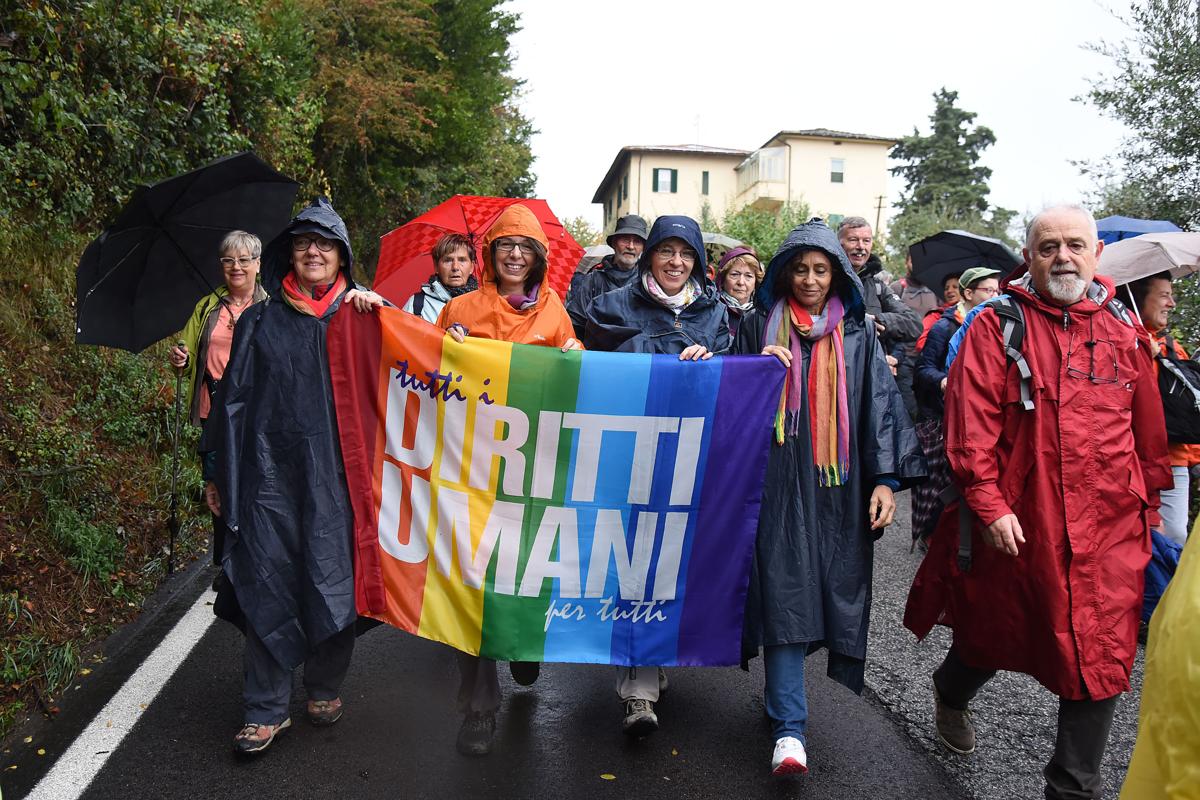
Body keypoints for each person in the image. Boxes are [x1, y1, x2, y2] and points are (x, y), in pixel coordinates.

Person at [904, 205, 1172, 800]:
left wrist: (1148, 511)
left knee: (1101, 653)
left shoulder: (1123, 333)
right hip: (1026, 521)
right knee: (997, 631)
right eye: (1048, 246)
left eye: (1076, 245)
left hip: (1109, 526)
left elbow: (1146, 432)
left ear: (1097, 253)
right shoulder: (996, 326)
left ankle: (1070, 789)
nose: (1063, 257)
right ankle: (951, 690)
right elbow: (969, 426)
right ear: (1030, 256)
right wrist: (989, 502)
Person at [734, 219, 925, 776]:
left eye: (821, 269)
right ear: (784, 273)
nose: (811, 279)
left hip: (837, 490)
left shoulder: (860, 337)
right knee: (783, 595)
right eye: (800, 268)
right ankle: (789, 728)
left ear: (837, 275)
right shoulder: (756, 328)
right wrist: (748, 366)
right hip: (773, 487)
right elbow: (729, 393)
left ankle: (783, 703)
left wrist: (887, 480)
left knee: (829, 591)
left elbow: (880, 410)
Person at [202, 197, 387, 756]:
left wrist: (385, 316)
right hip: (268, 481)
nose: (313, 251)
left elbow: (416, 382)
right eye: (304, 242)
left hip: (341, 481)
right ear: (289, 252)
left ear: (342, 258)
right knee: (266, 578)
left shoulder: (363, 319)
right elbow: (230, 401)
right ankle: (265, 708)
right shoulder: (259, 320)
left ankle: (325, 685)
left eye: (325, 244)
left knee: (335, 579)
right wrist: (216, 471)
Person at [435, 203, 581, 756]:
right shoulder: (460, 307)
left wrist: (574, 355)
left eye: (525, 247)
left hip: (535, 465)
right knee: (472, 580)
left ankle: (524, 640)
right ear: (490, 255)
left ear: (539, 258)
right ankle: (478, 707)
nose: (515, 255)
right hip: (472, 463)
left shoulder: (555, 312)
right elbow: (426, 372)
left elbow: (575, 383)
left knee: (525, 568)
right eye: (505, 246)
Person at [583, 214, 729, 737]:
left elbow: (736, 373)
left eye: (685, 253)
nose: (675, 262)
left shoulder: (715, 314)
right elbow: (582, 361)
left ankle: (654, 652)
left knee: (674, 560)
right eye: (666, 251)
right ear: (648, 256)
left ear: (696, 260)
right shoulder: (611, 304)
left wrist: (712, 361)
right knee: (634, 559)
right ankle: (638, 691)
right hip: (628, 454)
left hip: (691, 457)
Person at [168, 230, 268, 566]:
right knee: (218, 486)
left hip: (255, 414)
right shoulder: (208, 306)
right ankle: (224, 563)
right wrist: (180, 360)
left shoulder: (270, 307)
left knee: (254, 484)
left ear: (258, 264)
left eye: (243, 260)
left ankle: (252, 560)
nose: (236, 267)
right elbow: (187, 351)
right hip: (214, 412)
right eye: (228, 260)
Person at [909, 267, 1000, 547]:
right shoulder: (945, 327)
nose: (995, 296)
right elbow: (922, 370)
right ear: (969, 293)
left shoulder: (997, 326)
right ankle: (930, 535)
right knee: (938, 485)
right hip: (939, 416)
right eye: (989, 290)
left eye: (998, 291)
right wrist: (944, 380)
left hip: (972, 416)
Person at [1127, 271, 1199, 545]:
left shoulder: (1171, 348)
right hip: (1131, 459)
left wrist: (1195, 459)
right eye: (1164, 295)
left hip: (1173, 462)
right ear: (1140, 299)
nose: (1171, 304)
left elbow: (1187, 407)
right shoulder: (1121, 343)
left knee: (1175, 536)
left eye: (1172, 295)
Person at [564, 214, 647, 339]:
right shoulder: (592, 280)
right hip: (598, 354)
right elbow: (575, 322)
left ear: (643, 248)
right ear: (614, 243)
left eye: (637, 241)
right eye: (625, 239)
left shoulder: (648, 283)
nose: (631, 246)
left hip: (638, 355)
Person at [401, 232, 479, 323]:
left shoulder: (484, 305)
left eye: (462, 260)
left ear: (472, 267)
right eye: (448, 260)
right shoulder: (416, 305)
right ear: (436, 267)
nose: (455, 267)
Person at [716, 246, 763, 339]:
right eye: (734, 275)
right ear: (722, 279)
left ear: (756, 281)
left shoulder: (763, 314)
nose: (741, 282)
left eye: (748, 276)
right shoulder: (711, 310)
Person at [916, 273, 963, 352]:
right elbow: (921, 343)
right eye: (946, 288)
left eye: (955, 287)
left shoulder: (976, 313)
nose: (949, 291)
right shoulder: (935, 315)